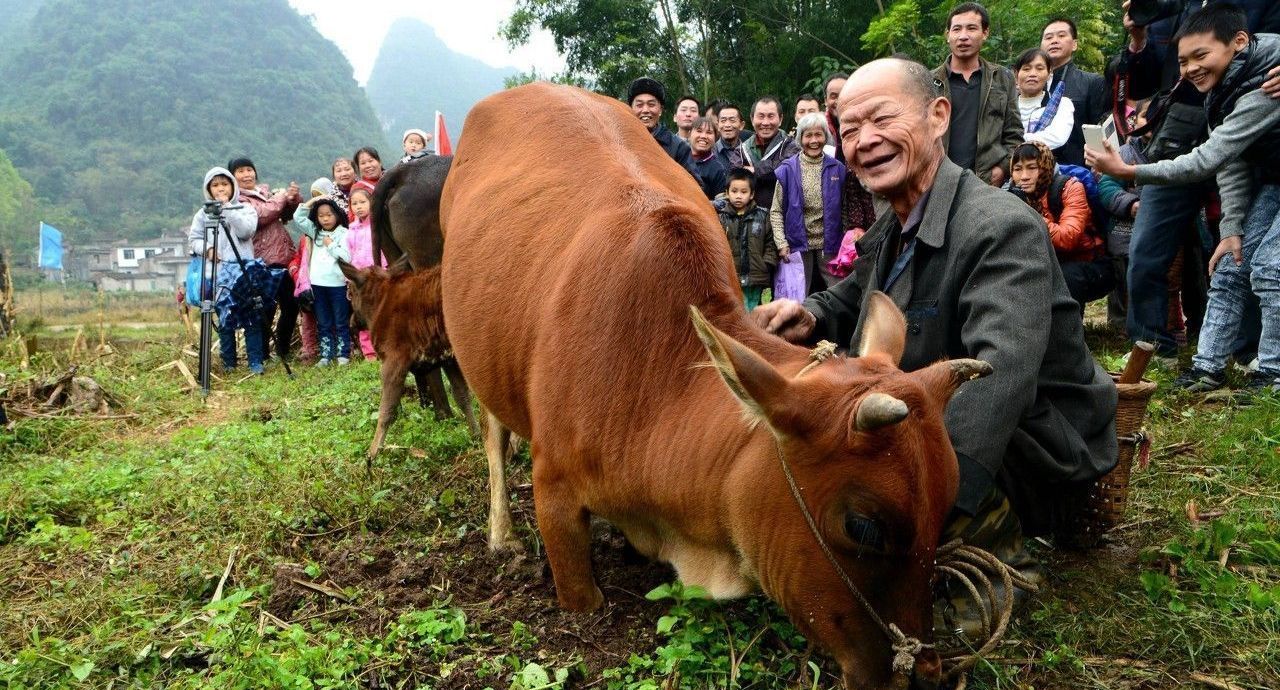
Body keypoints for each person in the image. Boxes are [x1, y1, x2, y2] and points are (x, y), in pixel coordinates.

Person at [753, 59, 1117, 606]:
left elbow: (1000, 376)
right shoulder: (897, 222)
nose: (864, 141)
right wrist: (810, 315)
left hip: (1032, 449)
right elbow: (855, 293)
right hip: (927, 424)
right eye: (848, 130)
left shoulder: (999, 226)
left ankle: (991, 554)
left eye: (880, 119)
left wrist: (931, 499)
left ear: (938, 116)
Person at [1089, 5, 1280, 393]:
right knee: (1229, 263)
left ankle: (1269, 369)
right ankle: (1206, 367)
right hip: (1264, 175)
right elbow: (1231, 163)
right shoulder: (1219, 89)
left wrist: (1128, 172)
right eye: (1183, 60)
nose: (1190, 67)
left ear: (1239, 43)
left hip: (1260, 169)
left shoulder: (1264, 83)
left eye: (1200, 56)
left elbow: (1210, 157)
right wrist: (1231, 227)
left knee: (1268, 269)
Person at [1009, 142, 1112, 309]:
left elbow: (1067, 238)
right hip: (1040, 263)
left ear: (1045, 167)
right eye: (1018, 169)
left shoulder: (1070, 187)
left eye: (1032, 168)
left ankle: (1068, 332)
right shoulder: (1009, 194)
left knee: (1065, 278)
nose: (1024, 176)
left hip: (1088, 264)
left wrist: (1031, 215)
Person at [933, 2, 1024, 186]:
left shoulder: (1001, 78)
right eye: (956, 29)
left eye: (972, 28)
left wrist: (1002, 169)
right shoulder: (929, 81)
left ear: (985, 33)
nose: (963, 36)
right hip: (938, 182)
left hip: (985, 183)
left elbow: (1014, 134)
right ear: (947, 35)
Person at [188, 167, 267, 374]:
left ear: (233, 185)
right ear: (208, 189)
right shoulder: (202, 214)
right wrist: (208, 249)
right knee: (224, 319)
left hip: (243, 272)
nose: (220, 189)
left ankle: (256, 362)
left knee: (251, 317)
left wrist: (227, 210)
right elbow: (194, 239)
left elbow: (246, 231)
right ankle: (229, 364)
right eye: (215, 185)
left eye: (224, 184)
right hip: (216, 272)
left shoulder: (244, 209)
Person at [228, 157, 303, 364]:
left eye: (249, 170)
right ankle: (261, 355)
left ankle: (282, 350)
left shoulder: (264, 194)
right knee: (264, 310)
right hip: (261, 261)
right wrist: (280, 198)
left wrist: (292, 198)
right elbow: (261, 216)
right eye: (240, 171)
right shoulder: (237, 201)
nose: (246, 175)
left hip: (284, 257)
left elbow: (286, 214)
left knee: (291, 305)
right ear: (233, 177)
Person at [770, 112, 847, 295]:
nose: (814, 140)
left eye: (818, 134)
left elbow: (844, 209)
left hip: (830, 246)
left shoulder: (838, 169)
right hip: (797, 246)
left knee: (837, 294)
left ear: (825, 137)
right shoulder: (787, 170)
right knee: (799, 296)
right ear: (800, 138)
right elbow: (776, 211)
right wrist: (781, 243)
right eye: (808, 135)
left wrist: (845, 241)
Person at [1041, 18, 1109, 165]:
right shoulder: (1031, 84)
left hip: (1078, 170)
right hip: (1034, 169)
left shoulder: (1092, 82)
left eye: (1061, 35)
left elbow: (1100, 129)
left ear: (1074, 44)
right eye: (1048, 37)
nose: (1054, 41)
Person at [294, 197, 353, 366]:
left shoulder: (344, 233)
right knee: (324, 322)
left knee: (341, 321)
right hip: (317, 285)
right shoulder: (316, 232)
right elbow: (298, 218)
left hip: (338, 285)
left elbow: (347, 257)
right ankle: (326, 355)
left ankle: (343, 354)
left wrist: (331, 246)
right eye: (321, 216)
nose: (325, 219)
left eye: (329, 214)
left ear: (337, 215)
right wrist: (313, 201)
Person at [714, 168, 776, 309]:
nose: (738, 196)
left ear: (752, 194)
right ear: (727, 193)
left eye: (744, 192)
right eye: (734, 191)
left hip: (755, 275)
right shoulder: (721, 218)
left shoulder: (762, 216)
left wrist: (766, 264)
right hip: (731, 275)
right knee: (734, 309)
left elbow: (770, 243)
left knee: (751, 310)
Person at [626, 77, 703, 188]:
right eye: (639, 105)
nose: (646, 110)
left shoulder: (678, 147)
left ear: (660, 110)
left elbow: (695, 187)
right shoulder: (620, 142)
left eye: (651, 104)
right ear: (630, 109)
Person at [345, 186, 382, 360]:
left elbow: (383, 252)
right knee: (362, 314)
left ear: (371, 202)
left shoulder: (378, 225)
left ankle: (383, 347)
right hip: (358, 281)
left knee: (380, 313)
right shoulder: (350, 230)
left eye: (362, 202)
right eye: (354, 203)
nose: (359, 206)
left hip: (377, 277)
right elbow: (348, 255)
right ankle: (369, 352)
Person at [746, 96, 802, 213]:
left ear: (780, 119)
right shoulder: (742, 149)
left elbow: (784, 168)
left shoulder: (792, 145)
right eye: (761, 116)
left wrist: (755, 170)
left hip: (784, 214)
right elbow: (736, 175)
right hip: (749, 217)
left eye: (771, 116)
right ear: (752, 119)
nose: (765, 122)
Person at [1013, 49, 1076, 150]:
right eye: (1026, 69)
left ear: (1049, 73)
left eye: (1039, 68)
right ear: (1016, 74)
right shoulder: (1005, 105)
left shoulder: (1061, 104)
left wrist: (1013, 141)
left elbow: (1056, 137)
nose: (1032, 74)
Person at [688, 117, 728, 200]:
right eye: (699, 131)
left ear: (715, 138)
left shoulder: (718, 169)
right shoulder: (677, 158)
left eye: (709, 132)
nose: (703, 136)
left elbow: (721, 203)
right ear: (689, 134)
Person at [713, 102, 752, 170]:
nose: (727, 125)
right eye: (723, 121)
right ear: (718, 126)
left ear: (741, 125)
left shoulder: (750, 151)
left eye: (732, 120)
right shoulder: (710, 153)